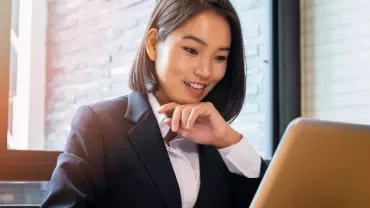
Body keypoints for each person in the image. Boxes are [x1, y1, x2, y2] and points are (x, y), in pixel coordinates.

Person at [41, 0, 268, 207]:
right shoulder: (98, 125)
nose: (205, 72)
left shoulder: (222, 144)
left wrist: (228, 140)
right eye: (191, 50)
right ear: (153, 44)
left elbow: (271, 199)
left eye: (219, 57)